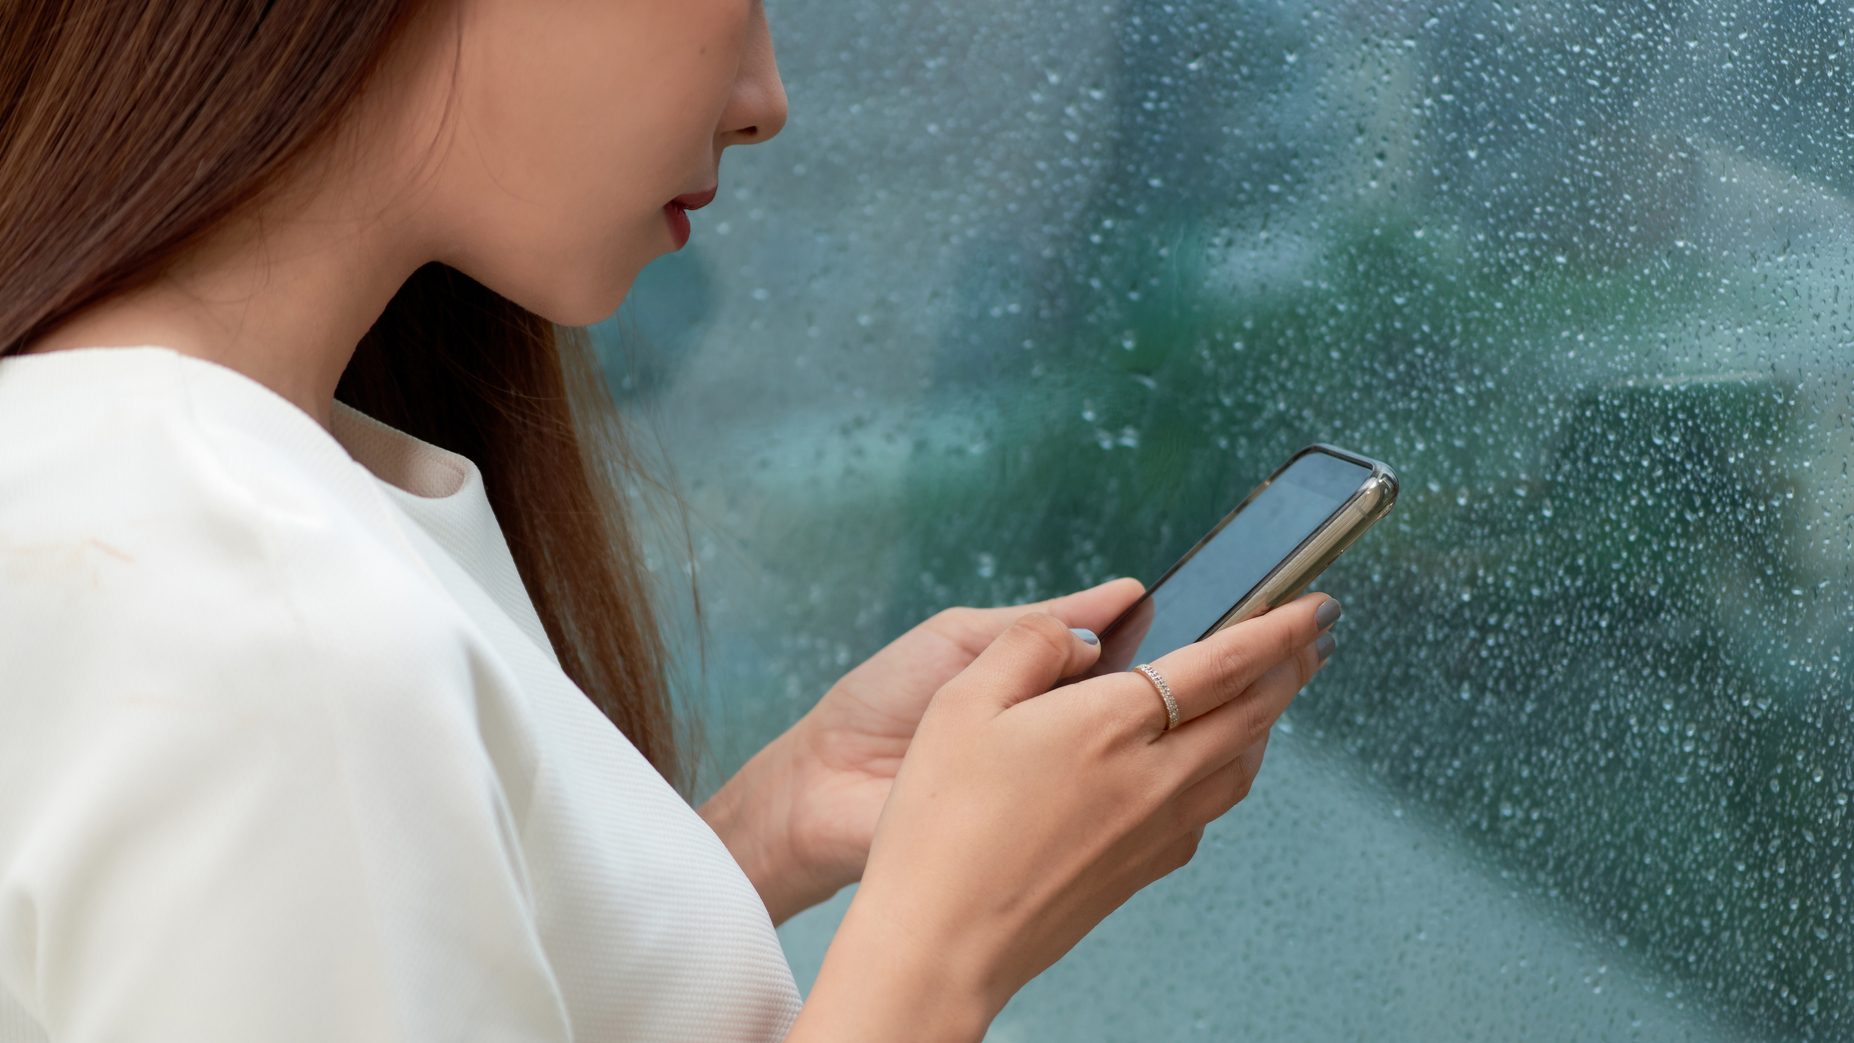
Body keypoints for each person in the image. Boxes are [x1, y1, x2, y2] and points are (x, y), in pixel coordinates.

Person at [0, 1, 1344, 1040]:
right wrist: (942, 946)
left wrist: (764, 833)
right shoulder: (263, 602)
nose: (764, 101)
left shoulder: (164, 488)